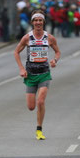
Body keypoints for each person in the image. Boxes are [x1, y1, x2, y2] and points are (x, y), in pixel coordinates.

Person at [14, 9, 61, 140]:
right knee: (31, 107)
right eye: (36, 20)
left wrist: (54, 60)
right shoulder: (27, 38)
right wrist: (21, 69)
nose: (38, 22)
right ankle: (38, 126)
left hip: (44, 73)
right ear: (32, 22)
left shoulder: (50, 38)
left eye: (40, 20)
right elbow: (16, 52)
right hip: (30, 75)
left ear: (44, 22)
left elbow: (58, 52)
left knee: (40, 101)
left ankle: (39, 130)